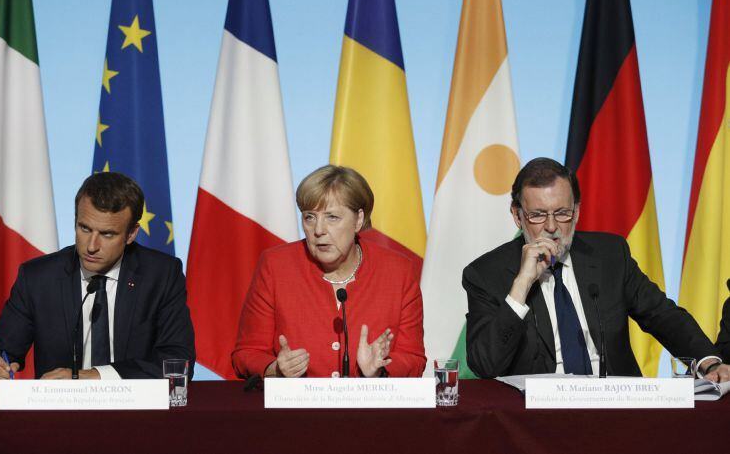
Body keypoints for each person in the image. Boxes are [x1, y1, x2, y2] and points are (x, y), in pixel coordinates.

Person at [464, 157, 730, 381]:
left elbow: (662, 315)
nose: (552, 226)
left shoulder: (610, 255)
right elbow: (486, 365)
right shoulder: (486, 274)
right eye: (537, 215)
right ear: (517, 215)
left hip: (616, 410)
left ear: (577, 213)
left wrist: (709, 362)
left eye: (562, 213)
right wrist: (521, 285)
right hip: (535, 420)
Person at [0, 172, 195, 388]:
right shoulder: (38, 278)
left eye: (107, 234)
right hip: (58, 417)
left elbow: (177, 361)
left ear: (131, 234)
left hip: (136, 416)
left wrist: (93, 376)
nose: (91, 246)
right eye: (84, 228)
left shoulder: (161, 275)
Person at [232, 165, 426, 378]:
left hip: (370, 409)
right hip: (299, 409)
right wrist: (275, 369)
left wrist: (379, 370)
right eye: (309, 217)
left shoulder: (398, 272)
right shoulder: (275, 266)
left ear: (358, 220)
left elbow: (413, 358)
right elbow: (246, 354)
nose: (318, 230)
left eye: (332, 217)